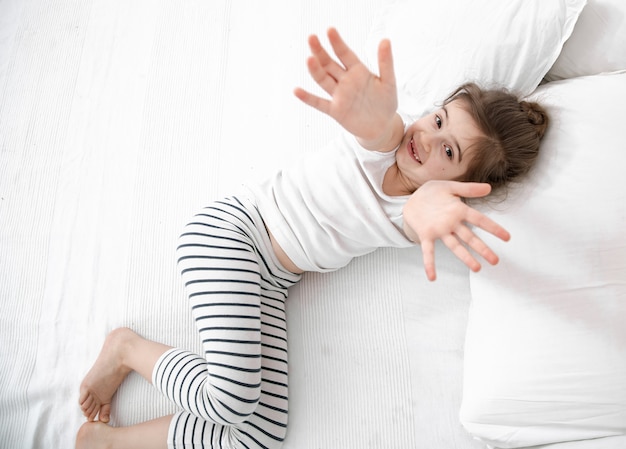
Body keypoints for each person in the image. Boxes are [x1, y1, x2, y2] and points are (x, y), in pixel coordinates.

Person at [75, 28, 548, 449]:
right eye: (439, 120)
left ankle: (110, 444)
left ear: (460, 184)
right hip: (232, 235)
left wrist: (435, 208)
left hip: (272, 279)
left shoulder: (415, 213)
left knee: (260, 435)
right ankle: (127, 349)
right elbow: (379, 130)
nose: (426, 139)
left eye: (448, 151)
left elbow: (418, 213)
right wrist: (376, 116)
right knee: (233, 402)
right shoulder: (386, 141)